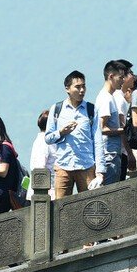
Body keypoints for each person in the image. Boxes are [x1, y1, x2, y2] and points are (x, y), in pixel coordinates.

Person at [45, 70, 97, 198]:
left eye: (83, 86)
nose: (82, 90)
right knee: (59, 206)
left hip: (86, 165)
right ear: (67, 89)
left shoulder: (91, 109)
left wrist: (99, 169)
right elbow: (48, 138)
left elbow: (98, 140)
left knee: (89, 204)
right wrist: (61, 132)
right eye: (77, 87)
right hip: (63, 165)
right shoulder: (57, 109)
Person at [94, 60, 128, 187]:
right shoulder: (106, 98)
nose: (123, 80)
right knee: (109, 191)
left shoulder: (109, 97)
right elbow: (102, 128)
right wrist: (123, 130)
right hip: (108, 154)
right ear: (111, 77)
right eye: (121, 77)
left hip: (112, 153)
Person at [29, 110, 57, 198]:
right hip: (45, 190)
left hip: (46, 188)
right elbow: (40, 167)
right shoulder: (44, 142)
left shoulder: (41, 140)